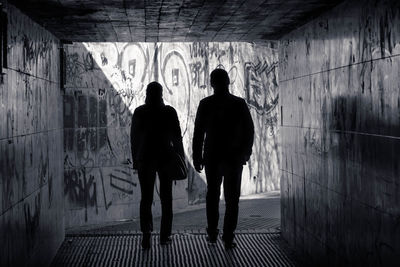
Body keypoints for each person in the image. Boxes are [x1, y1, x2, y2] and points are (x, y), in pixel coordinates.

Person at [192, 69, 254, 248]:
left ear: (212, 83)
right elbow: (249, 131)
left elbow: (198, 134)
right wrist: (245, 153)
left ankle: (212, 232)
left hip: (212, 157)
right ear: (228, 82)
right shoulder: (239, 104)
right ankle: (228, 236)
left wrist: (197, 157)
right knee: (232, 199)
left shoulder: (205, 104)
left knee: (212, 195)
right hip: (234, 157)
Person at [131, 81, 184, 249]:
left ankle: (146, 234)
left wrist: (135, 160)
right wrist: (180, 158)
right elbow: (177, 138)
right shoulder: (169, 112)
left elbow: (134, 139)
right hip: (165, 157)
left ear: (147, 93)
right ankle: (165, 235)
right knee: (166, 198)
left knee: (146, 198)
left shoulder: (140, 112)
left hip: (145, 158)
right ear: (161, 94)